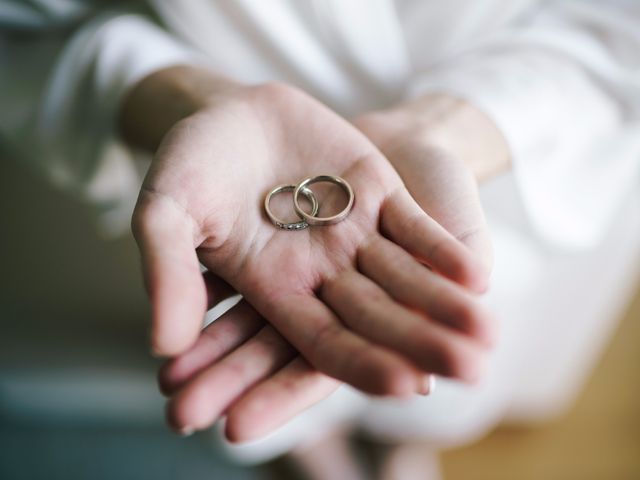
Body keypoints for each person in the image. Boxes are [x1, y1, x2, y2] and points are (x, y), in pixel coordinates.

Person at [2, 1, 640, 478]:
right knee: (277, 336)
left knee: (430, 352)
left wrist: (451, 127)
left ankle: (401, 437)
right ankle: (309, 444)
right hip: (220, 192)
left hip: (528, 148)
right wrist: (181, 97)